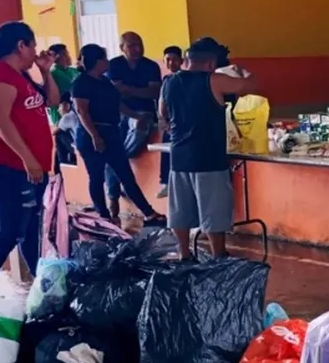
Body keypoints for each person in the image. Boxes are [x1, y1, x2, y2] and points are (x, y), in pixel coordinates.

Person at [0, 21, 59, 295]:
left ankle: (40, 283)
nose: (36, 51)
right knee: (11, 229)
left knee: (31, 228)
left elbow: (53, 102)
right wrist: (28, 160)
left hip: (30, 166)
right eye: (32, 45)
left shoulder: (19, 74)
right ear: (21, 45)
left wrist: (45, 72)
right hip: (8, 165)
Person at [160, 37, 256, 259]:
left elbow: (162, 113)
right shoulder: (214, 80)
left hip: (179, 155)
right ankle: (218, 254)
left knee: (180, 210)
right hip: (208, 156)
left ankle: (184, 253)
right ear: (211, 63)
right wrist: (242, 71)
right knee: (213, 209)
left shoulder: (170, 82)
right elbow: (250, 86)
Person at [70, 43, 165, 226]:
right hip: (92, 133)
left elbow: (117, 104)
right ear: (97, 61)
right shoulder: (80, 82)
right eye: (104, 58)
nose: (108, 61)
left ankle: (148, 212)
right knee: (96, 176)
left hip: (111, 131)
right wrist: (95, 136)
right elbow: (82, 111)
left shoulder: (104, 81)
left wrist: (136, 116)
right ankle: (103, 214)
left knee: (125, 173)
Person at [104, 31, 162, 217]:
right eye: (132, 46)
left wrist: (128, 89)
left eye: (139, 44)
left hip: (144, 115)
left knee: (116, 155)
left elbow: (154, 93)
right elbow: (115, 93)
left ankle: (112, 196)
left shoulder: (151, 66)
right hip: (119, 114)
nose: (138, 49)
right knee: (115, 152)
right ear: (122, 48)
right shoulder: (114, 65)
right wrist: (139, 90)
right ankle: (112, 198)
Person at [156, 44, 184, 199]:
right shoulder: (166, 80)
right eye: (168, 60)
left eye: (174, 60)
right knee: (165, 143)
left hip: (184, 122)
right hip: (171, 122)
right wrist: (163, 120)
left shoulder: (185, 79)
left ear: (182, 61)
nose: (171, 63)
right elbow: (162, 102)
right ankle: (165, 181)